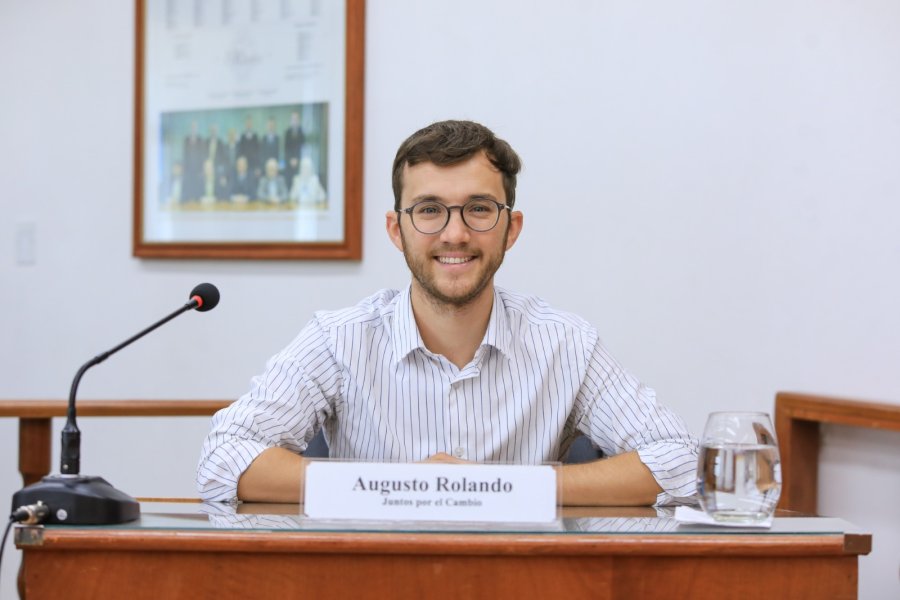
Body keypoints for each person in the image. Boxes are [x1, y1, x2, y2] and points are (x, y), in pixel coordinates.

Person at [197, 120, 698, 506]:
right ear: (397, 230)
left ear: (511, 228)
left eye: (479, 208)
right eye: (430, 209)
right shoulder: (339, 339)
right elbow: (223, 457)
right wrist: (404, 485)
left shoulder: (565, 343)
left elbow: (679, 461)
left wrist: (504, 486)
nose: (454, 234)